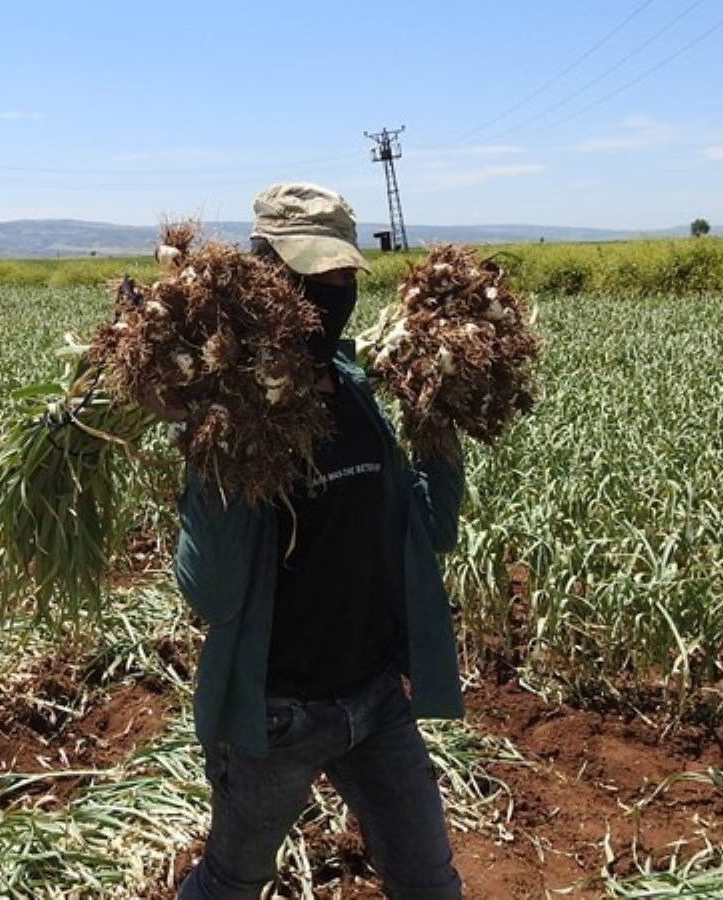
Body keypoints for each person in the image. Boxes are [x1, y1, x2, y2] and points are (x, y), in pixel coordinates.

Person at [174, 182, 465, 899]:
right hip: (278, 713)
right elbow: (208, 591)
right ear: (264, 275)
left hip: (375, 697)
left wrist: (438, 425)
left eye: (342, 279)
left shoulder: (354, 386)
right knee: (233, 880)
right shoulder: (237, 412)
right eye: (313, 278)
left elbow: (431, 530)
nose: (332, 294)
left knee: (429, 881)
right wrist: (220, 459)